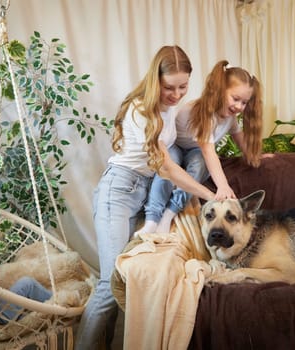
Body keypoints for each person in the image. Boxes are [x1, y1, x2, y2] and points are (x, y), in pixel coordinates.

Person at [74, 45, 215, 349]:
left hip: (143, 192)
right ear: (155, 80)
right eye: (169, 88)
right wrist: (208, 194)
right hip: (120, 191)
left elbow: (187, 150)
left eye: (183, 87)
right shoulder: (140, 110)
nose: (177, 95)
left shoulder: (168, 109)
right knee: (110, 282)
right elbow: (166, 167)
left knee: (123, 279)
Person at [136, 60, 264, 234]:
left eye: (244, 102)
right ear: (220, 91)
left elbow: (241, 140)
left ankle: (169, 213)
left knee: (199, 164)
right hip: (174, 146)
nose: (239, 106)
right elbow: (209, 151)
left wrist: (256, 156)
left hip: (194, 151)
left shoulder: (230, 119)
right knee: (167, 166)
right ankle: (152, 218)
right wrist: (223, 186)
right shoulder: (204, 113)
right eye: (235, 99)